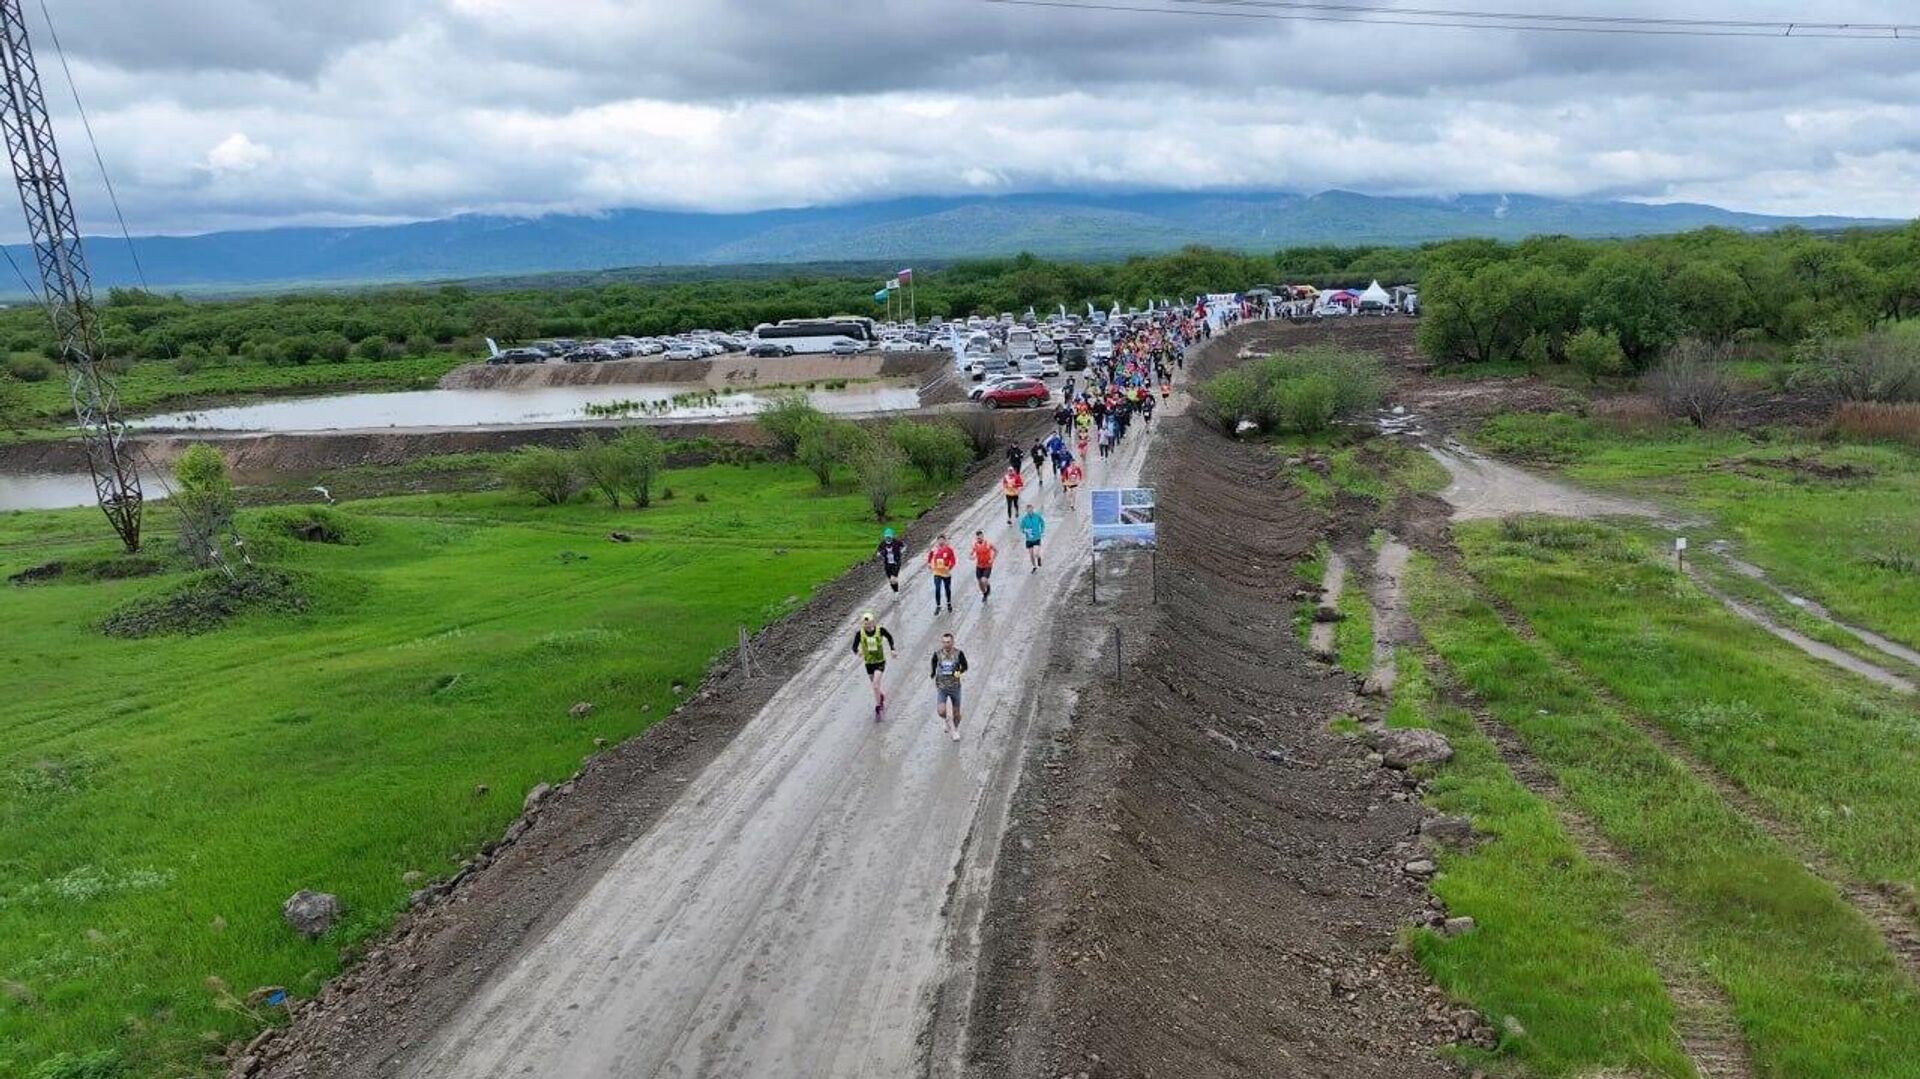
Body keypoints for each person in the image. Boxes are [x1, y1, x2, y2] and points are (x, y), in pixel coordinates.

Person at [850, 612, 896, 719]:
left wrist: (892, 649)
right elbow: (854, 647)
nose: (868, 626)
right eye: (865, 624)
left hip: (880, 661)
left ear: (873, 622)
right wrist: (857, 652)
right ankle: (881, 696)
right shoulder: (860, 633)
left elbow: (889, 637)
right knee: (875, 687)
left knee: (875, 685)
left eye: (869, 623)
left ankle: (878, 707)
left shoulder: (880, 630)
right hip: (869, 663)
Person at [931, 632, 969, 742]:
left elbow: (965, 666)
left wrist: (959, 672)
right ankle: (948, 721)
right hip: (942, 687)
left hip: (955, 687)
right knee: (941, 711)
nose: (946, 644)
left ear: (952, 642)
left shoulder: (958, 653)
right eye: (944, 642)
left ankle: (954, 729)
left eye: (948, 642)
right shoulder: (937, 654)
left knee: (957, 714)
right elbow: (933, 663)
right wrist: (933, 673)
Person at [927, 533, 957, 614]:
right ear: (937, 541)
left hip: (946, 573)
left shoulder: (949, 549)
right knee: (937, 589)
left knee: (947, 589)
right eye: (939, 540)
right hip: (937, 572)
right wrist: (929, 563)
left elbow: (953, 560)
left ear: (945, 540)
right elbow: (930, 556)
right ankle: (938, 606)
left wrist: (950, 567)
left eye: (942, 540)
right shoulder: (934, 549)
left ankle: (949, 603)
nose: (941, 541)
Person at [970, 529, 997, 603]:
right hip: (979, 566)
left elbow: (996, 550)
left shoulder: (988, 543)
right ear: (976, 538)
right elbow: (970, 554)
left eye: (980, 537)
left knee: (984, 580)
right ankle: (984, 594)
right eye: (977, 538)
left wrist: (992, 559)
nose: (979, 539)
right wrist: (971, 557)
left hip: (987, 565)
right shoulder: (975, 545)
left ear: (983, 536)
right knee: (980, 583)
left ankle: (988, 587)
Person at [876, 527, 905, 593]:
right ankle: (895, 591)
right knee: (890, 580)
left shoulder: (897, 542)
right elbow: (878, 550)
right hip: (887, 564)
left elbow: (904, 546)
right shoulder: (882, 543)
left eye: (889, 537)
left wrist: (902, 551)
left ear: (892, 536)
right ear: (885, 537)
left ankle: (896, 592)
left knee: (893, 578)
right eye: (887, 537)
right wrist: (879, 553)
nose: (888, 538)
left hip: (896, 562)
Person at [1019, 505, 1045, 570]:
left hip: (1037, 538)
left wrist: (1042, 530)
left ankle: (1039, 557)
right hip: (1029, 539)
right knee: (1031, 555)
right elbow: (1021, 528)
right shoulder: (1024, 519)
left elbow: (1042, 522)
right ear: (1026, 511)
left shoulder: (1037, 516)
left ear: (1033, 509)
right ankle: (1034, 566)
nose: (1030, 511)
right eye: (1028, 510)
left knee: (1036, 553)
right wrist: (1025, 531)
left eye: (1031, 510)